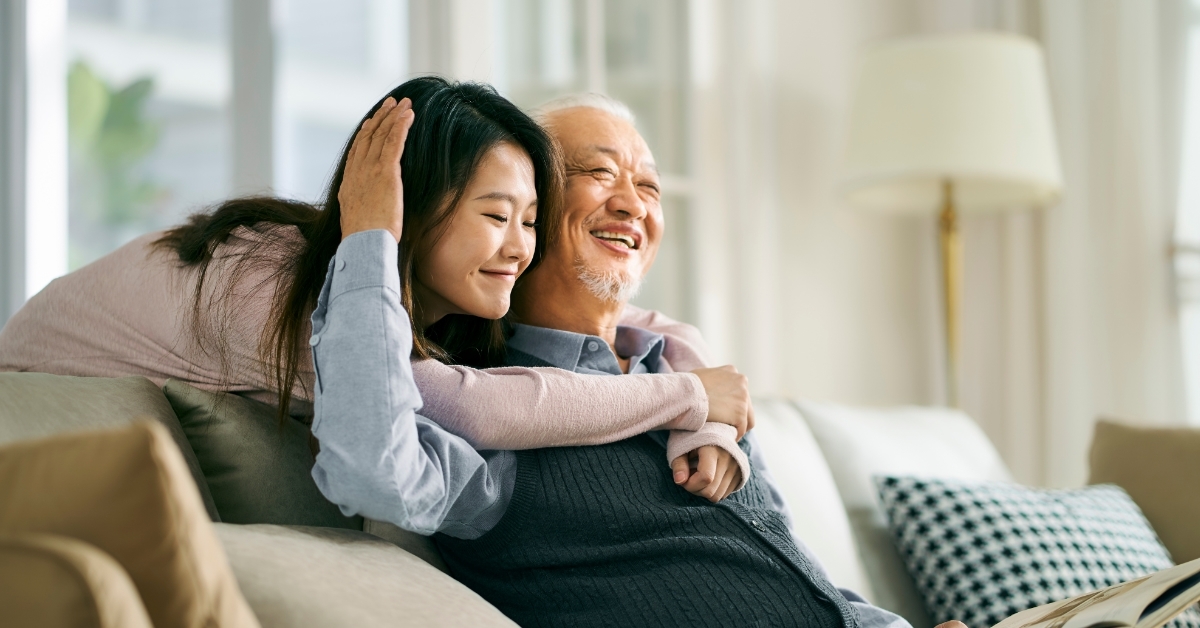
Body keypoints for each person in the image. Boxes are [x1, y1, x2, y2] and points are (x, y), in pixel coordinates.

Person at [310, 91, 932, 627]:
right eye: (600, 173)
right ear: (529, 206)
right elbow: (374, 471)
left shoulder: (694, 380)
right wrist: (371, 242)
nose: (634, 204)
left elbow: (797, 578)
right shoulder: (476, 417)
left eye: (650, 185)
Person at [0, 76, 748, 500]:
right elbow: (458, 413)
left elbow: (641, 321)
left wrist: (707, 406)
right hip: (37, 437)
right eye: (496, 215)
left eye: (530, 220)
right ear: (410, 210)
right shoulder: (279, 284)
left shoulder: (452, 289)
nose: (519, 248)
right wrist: (685, 398)